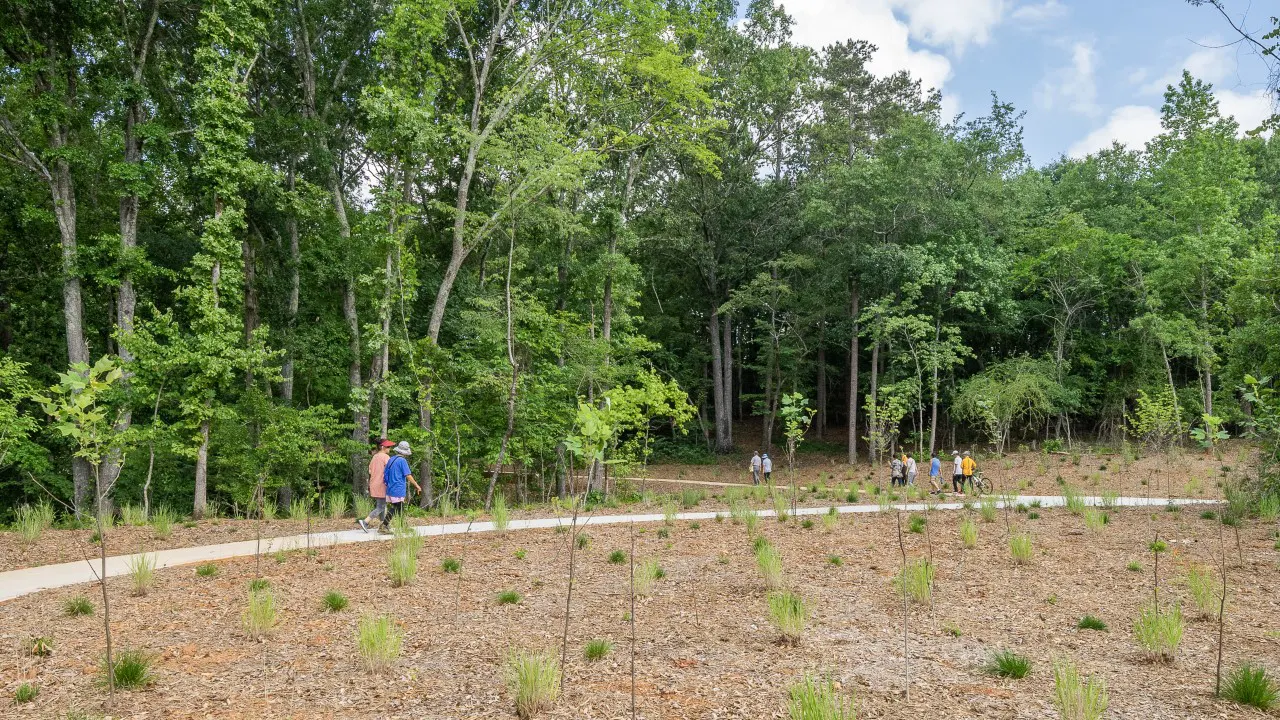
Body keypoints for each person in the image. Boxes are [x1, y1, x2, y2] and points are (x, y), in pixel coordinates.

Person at [381, 441, 422, 533]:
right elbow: (408, 475)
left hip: (391, 487)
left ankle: (404, 526)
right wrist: (416, 485)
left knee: (399, 508)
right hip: (398, 488)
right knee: (396, 507)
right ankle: (384, 525)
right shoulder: (402, 461)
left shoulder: (391, 459)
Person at [358, 439, 395, 533]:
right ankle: (365, 522)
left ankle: (384, 525)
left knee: (381, 505)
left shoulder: (374, 457)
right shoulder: (385, 457)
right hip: (381, 484)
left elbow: (370, 470)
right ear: (382, 447)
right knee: (381, 507)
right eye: (388, 447)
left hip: (374, 483)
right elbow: (391, 470)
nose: (390, 448)